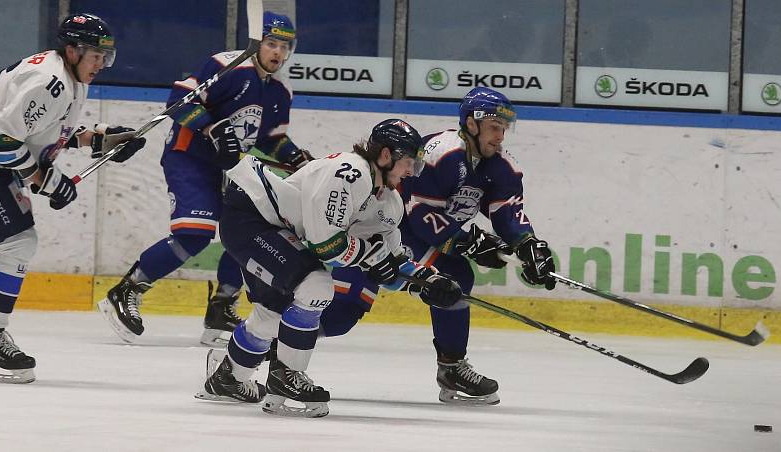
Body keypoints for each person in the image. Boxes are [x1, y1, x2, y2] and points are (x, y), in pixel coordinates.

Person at [194, 119, 462, 418]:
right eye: (409, 162)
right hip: (250, 217)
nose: (411, 172)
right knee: (316, 285)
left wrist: (426, 282)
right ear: (386, 155)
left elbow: (393, 261)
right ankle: (287, 376)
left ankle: (229, 379)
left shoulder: (389, 203)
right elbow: (326, 246)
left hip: (276, 230)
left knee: (273, 314)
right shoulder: (350, 173)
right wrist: (373, 258)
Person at [315, 87, 557, 405]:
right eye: (495, 127)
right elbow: (420, 217)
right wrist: (467, 242)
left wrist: (526, 244)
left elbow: (508, 212)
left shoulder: (501, 166)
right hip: (379, 234)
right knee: (337, 318)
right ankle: (270, 338)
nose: (500, 137)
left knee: (456, 279)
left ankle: (452, 367)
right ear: (472, 124)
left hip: (409, 238)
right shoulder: (440, 154)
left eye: (504, 129)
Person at [98, 12, 312, 346]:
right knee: (194, 233)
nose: (278, 53)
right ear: (257, 42)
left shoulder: (281, 90)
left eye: (285, 47)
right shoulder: (227, 66)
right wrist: (211, 126)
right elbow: (178, 103)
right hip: (190, 156)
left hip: (232, 167)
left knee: (246, 233)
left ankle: (222, 307)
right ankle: (127, 289)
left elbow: (270, 138)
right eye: (271, 43)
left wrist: (296, 156)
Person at [0, 13, 146, 383]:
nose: (101, 65)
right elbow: (0, 141)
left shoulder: (69, 75)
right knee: (16, 243)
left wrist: (98, 138)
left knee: (11, 243)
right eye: (96, 56)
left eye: (106, 58)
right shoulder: (51, 80)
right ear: (73, 49)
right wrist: (42, 178)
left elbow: (44, 129)